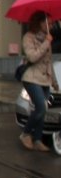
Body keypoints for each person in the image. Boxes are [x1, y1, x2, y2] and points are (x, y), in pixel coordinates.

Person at [19, 10, 57, 152]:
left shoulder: (48, 38)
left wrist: (54, 81)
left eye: (52, 23)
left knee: (43, 110)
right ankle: (25, 133)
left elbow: (49, 62)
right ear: (40, 23)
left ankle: (37, 139)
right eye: (49, 22)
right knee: (41, 107)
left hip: (45, 79)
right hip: (32, 77)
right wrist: (46, 43)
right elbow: (33, 57)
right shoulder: (28, 37)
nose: (51, 25)